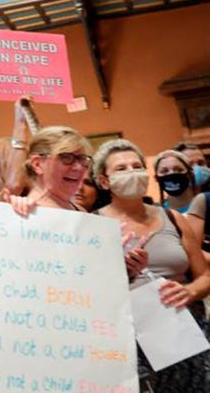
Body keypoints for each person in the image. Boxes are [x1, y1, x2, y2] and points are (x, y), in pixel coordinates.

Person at [92, 139, 210, 390]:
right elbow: (88, 291)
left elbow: (205, 276)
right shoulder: (92, 225)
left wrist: (189, 291)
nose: (132, 172)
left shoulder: (172, 217)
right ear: (104, 181)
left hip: (185, 331)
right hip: (130, 339)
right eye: (121, 169)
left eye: (137, 166)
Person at [155, 149, 198, 214]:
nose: (171, 174)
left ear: (190, 174)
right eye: (164, 171)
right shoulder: (157, 213)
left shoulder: (205, 204)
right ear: (156, 178)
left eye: (179, 170)